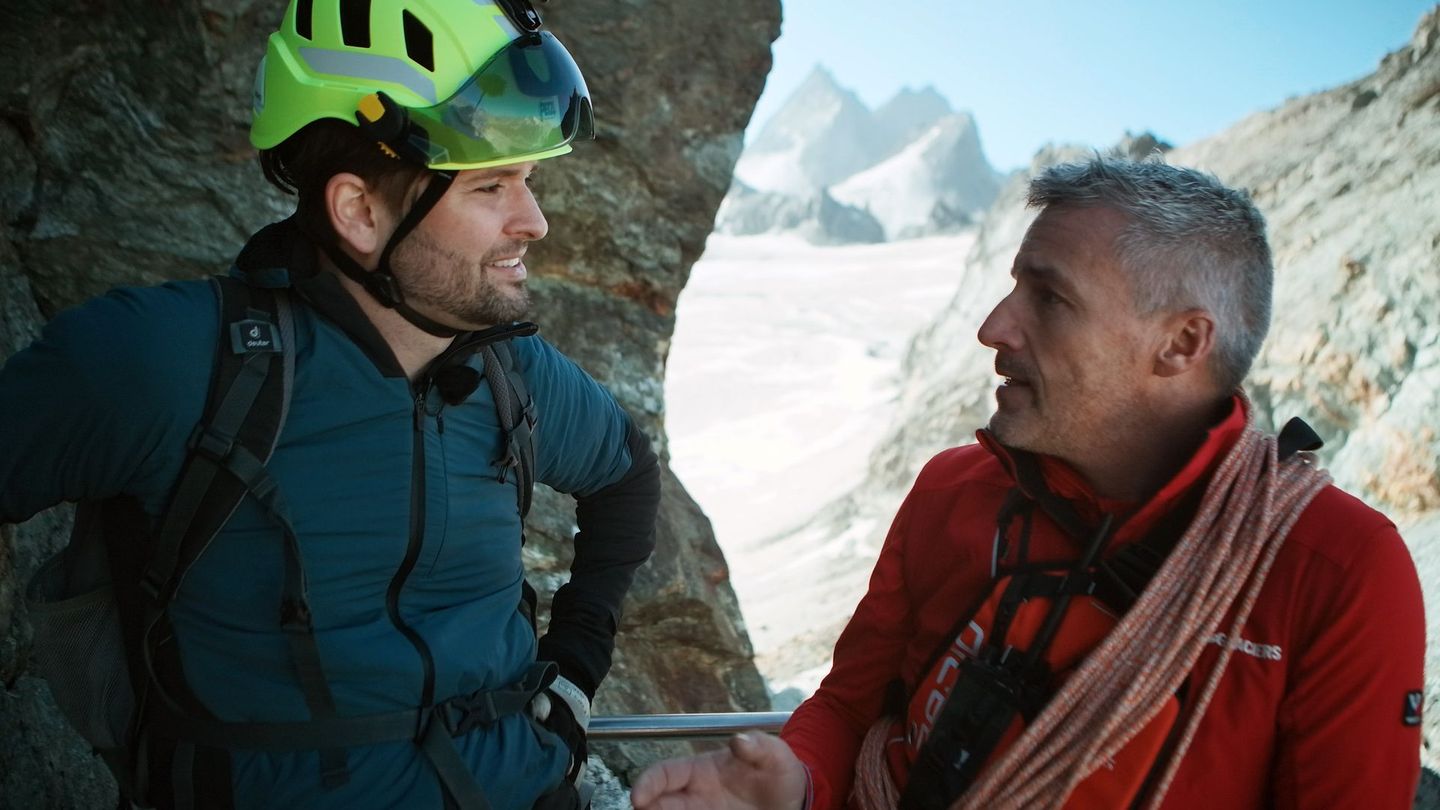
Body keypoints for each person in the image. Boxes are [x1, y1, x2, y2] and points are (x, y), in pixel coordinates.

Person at [0, 1, 660, 808]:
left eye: (528, 181)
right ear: (359, 211)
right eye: (491, 185)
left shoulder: (511, 373)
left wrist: (577, 668)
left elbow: (626, 478)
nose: (536, 222)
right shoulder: (167, 362)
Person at [632, 157, 1425, 809]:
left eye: (1050, 299)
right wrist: (797, 783)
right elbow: (849, 708)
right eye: (1015, 287)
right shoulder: (954, 490)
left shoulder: (1336, 570)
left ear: (1182, 343)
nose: (994, 328)